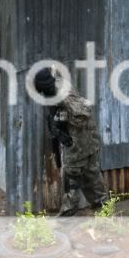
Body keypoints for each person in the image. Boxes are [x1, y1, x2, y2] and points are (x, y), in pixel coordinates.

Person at [33, 68, 108, 216]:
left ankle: (68, 216)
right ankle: (104, 210)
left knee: (72, 178)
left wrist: (63, 126)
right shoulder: (57, 84)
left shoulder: (62, 94)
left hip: (79, 144)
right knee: (91, 175)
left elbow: (83, 113)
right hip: (87, 141)